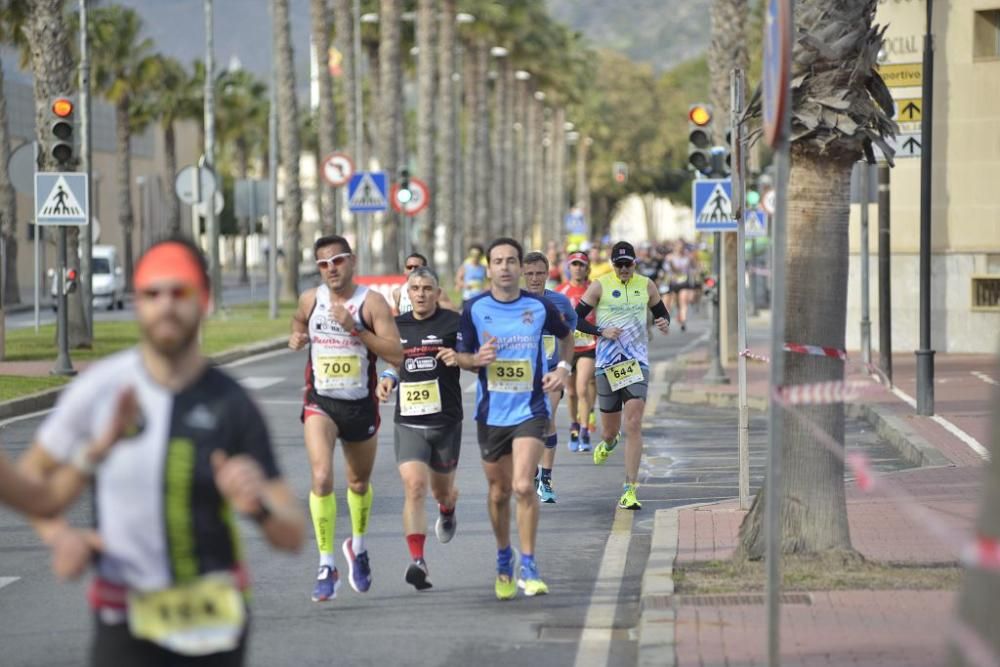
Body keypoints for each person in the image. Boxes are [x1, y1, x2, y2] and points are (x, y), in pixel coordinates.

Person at [18, 238, 305, 665]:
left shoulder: (232, 403)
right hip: (125, 616)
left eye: (180, 292)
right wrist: (60, 537)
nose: (166, 306)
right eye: (153, 294)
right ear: (137, 303)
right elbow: (29, 479)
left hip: (214, 618)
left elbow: (292, 534)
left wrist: (257, 508)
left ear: (203, 300)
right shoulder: (100, 389)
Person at [455, 237, 573, 599]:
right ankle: (504, 556)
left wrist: (564, 368)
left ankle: (529, 563)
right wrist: (476, 360)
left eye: (511, 261)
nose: (505, 267)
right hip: (492, 413)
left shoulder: (539, 307)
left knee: (523, 485)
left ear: (520, 268)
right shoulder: (474, 308)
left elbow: (567, 337)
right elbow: (460, 355)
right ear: (489, 268)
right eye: (498, 261)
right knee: (498, 492)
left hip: (531, 409)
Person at [288, 235, 404, 602]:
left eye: (337, 261)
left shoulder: (372, 303)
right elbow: (297, 321)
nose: (330, 269)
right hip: (320, 401)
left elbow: (396, 354)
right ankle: (326, 564)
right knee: (322, 477)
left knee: (357, 483)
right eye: (323, 264)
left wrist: (356, 329)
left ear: (351, 261)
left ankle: (358, 545)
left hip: (359, 404)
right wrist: (296, 335)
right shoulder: (311, 300)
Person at [375, 267, 462, 591]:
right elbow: (393, 362)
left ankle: (448, 508)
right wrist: (387, 380)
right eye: (416, 288)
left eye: (428, 288)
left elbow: (471, 356)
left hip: (446, 422)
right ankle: (417, 561)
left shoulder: (454, 323)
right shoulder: (396, 327)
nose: (421, 293)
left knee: (441, 491)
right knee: (414, 487)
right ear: (407, 294)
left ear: (438, 293)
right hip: (409, 421)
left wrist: (459, 357)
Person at [574, 241, 671, 511]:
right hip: (607, 365)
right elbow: (575, 318)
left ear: (635, 263)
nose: (624, 269)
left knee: (635, 423)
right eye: (619, 265)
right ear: (612, 264)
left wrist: (664, 322)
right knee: (609, 431)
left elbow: (661, 313)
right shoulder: (600, 285)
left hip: (636, 364)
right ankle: (609, 442)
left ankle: (630, 489)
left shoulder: (647, 285)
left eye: (628, 264)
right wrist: (600, 331)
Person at [521, 251, 577, 503]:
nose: (534, 279)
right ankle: (532, 470)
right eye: (530, 274)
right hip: (523, 374)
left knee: (546, 417)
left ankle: (545, 479)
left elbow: (570, 330)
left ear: (548, 274)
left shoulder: (560, 302)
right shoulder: (514, 302)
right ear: (523, 275)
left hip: (552, 371)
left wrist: (564, 365)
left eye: (539, 273)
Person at [556, 250, 599, 453]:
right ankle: (574, 426)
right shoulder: (560, 291)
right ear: (568, 267)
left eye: (581, 264)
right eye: (574, 264)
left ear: (587, 268)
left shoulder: (594, 289)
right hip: (567, 347)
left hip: (589, 345)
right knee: (571, 392)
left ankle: (584, 430)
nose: (578, 268)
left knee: (583, 387)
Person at [392, 252, 456, 315]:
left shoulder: (436, 292)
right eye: (409, 267)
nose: (412, 270)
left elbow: (454, 315)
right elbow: (398, 318)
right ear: (404, 270)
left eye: (416, 267)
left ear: (425, 269)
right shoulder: (398, 293)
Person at [663, 240, 696, 331]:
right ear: (675, 247)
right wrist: (671, 264)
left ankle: (683, 321)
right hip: (672, 283)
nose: (680, 249)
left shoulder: (688, 257)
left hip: (684, 283)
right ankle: (673, 318)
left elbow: (694, 269)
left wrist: (693, 285)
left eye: (682, 247)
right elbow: (668, 270)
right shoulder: (669, 257)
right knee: (672, 303)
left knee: (683, 300)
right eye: (678, 247)